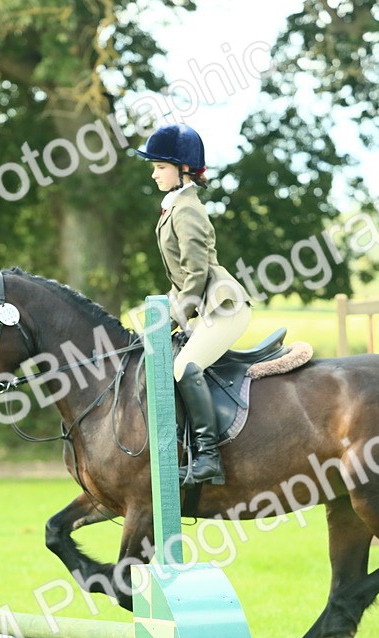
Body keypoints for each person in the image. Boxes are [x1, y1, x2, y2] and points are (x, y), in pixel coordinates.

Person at [135, 123, 253, 485]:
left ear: (183, 169)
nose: (154, 174)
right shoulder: (174, 207)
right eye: (154, 168)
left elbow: (195, 274)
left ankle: (208, 457)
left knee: (185, 367)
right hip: (202, 304)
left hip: (222, 305)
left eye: (160, 167)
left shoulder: (187, 210)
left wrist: (173, 315)